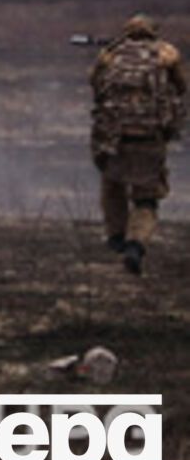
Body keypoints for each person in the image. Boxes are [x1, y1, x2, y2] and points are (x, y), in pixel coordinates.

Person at [89, 14, 186, 275]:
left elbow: (96, 87)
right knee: (145, 199)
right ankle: (135, 245)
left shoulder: (111, 55)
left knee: (113, 187)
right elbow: (181, 88)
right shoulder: (166, 55)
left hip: (114, 139)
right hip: (149, 139)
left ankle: (116, 237)